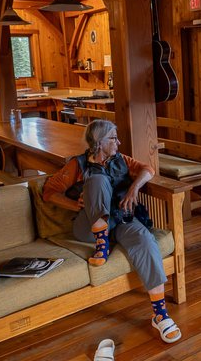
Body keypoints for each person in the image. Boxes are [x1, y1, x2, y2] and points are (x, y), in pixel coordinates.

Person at [42, 119, 181, 344]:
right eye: (113, 138)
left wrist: (134, 188)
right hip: (88, 227)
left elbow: (148, 169)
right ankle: (101, 244)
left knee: (145, 240)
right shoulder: (77, 165)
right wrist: (74, 204)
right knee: (96, 181)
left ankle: (160, 314)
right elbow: (49, 191)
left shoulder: (122, 160)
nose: (118, 141)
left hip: (121, 220)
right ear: (98, 142)